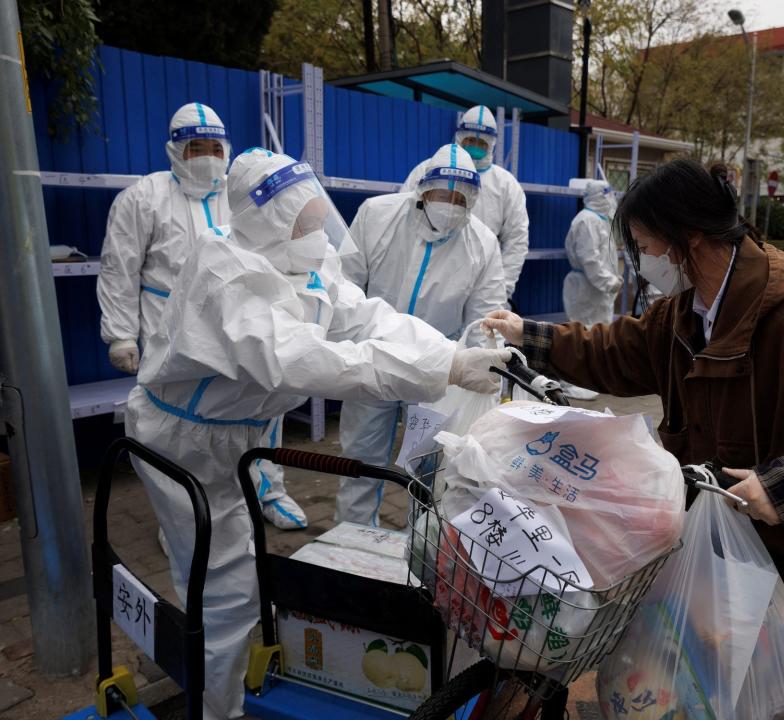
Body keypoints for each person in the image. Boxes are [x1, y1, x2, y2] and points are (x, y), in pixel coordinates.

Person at [484, 158, 784, 720]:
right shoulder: (686, 310)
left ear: (687, 237)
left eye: (646, 245)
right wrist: (529, 335)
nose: (644, 261)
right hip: (740, 532)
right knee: (730, 676)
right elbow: (618, 351)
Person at [127, 148, 510, 719]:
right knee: (227, 588)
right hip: (181, 441)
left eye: (316, 214)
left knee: (215, 571)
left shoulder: (303, 260)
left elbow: (367, 316)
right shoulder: (223, 273)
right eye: (301, 219)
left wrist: (453, 353)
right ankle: (215, 711)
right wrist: (444, 372)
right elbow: (309, 361)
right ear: (265, 221)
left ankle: (210, 670)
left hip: (229, 437)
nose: (315, 229)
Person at [97, 103, 305, 531]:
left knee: (262, 408)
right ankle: (181, 517)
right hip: (171, 332)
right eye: (195, 147)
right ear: (175, 151)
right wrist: (120, 334)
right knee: (178, 428)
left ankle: (268, 489)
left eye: (215, 146)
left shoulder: (242, 194)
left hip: (240, 324)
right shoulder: (144, 198)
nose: (207, 156)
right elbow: (120, 266)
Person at [336, 144, 506, 526]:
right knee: (361, 459)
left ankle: (422, 550)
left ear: (472, 200)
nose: (449, 204)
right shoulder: (377, 216)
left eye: (459, 198)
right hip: (375, 357)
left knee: (429, 471)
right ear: (422, 190)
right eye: (441, 194)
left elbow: (484, 317)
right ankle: (352, 540)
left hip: (439, 369)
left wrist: (476, 371)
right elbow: (344, 282)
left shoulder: (482, 243)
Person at [401, 105, 528, 304]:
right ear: (460, 137)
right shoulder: (428, 170)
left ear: (491, 144)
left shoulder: (506, 185)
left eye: (481, 142)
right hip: (424, 267)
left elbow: (516, 240)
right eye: (470, 140)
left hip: (480, 275)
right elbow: (405, 216)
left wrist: (502, 291)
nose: (474, 146)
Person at [561, 179, 622, 400]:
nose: (610, 199)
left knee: (598, 333)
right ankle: (570, 382)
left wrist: (610, 282)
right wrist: (609, 282)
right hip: (586, 288)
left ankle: (590, 378)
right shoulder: (586, 221)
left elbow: (605, 255)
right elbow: (590, 260)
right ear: (597, 196)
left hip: (597, 290)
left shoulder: (600, 220)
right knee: (581, 334)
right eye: (606, 195)